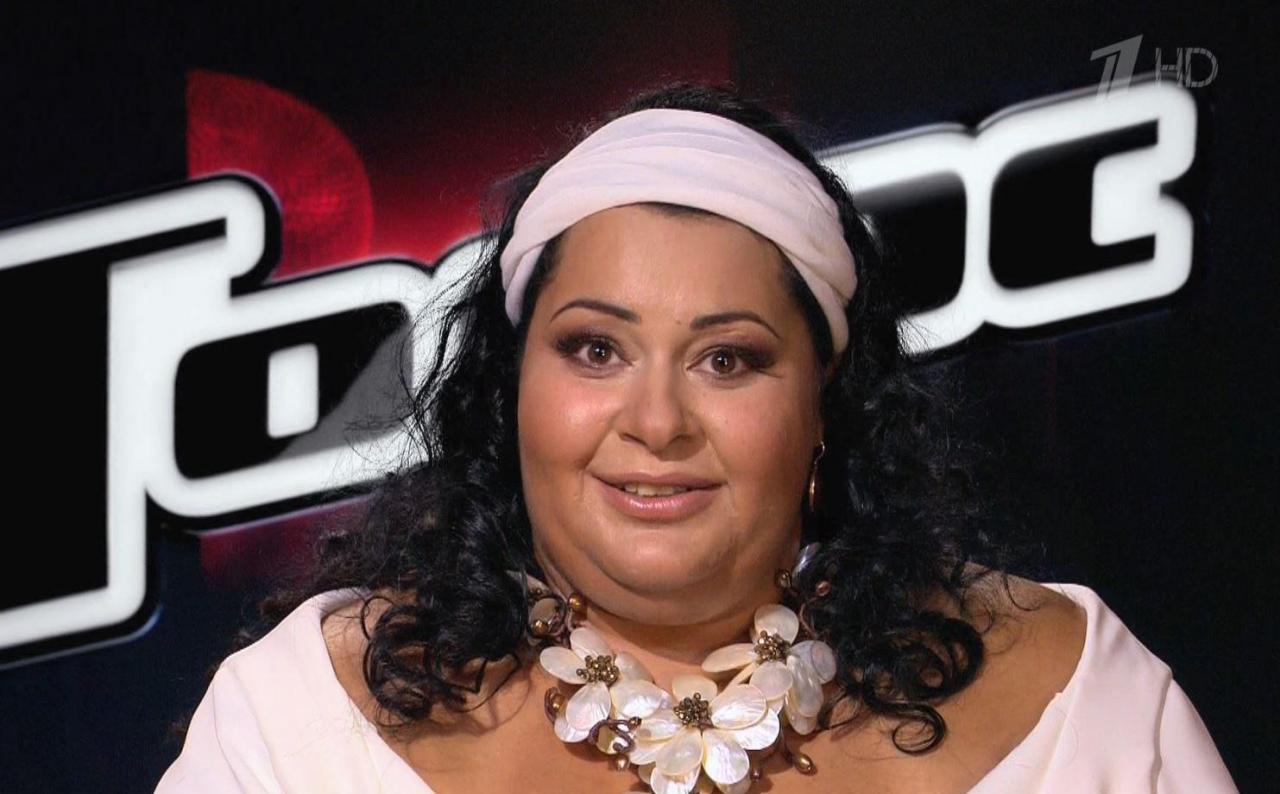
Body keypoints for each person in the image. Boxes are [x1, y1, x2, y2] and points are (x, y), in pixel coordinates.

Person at [154, 83, 1235, 794]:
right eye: (594, 349)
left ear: (825, 405)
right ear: (511, 391)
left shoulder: (1081, 699)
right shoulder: (300, 720)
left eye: (728, 359)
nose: (657, 421)